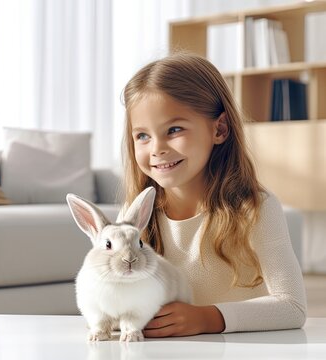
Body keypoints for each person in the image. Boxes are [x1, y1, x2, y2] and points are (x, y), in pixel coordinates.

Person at [120, 52, 307, 336]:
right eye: (142, 136)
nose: (156, 148)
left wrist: (208, 318)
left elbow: (293, 306)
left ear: (219, 129)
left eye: (174, 129)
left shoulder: (256, 208)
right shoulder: (133, 217)